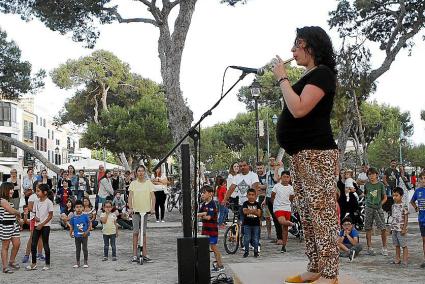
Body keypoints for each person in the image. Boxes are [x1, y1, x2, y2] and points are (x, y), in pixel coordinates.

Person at [273, 26, 339, 284]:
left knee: (321, 215)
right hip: (301, 155)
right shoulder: (311, 75)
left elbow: (299, 109)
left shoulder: (322, 75)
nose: (292, 50)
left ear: (311, 47)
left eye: (297, 45)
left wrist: (282, 79)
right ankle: (315, 267)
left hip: (317, 155)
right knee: (308, 215)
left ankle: (331, 274)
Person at [128, 165, 155, 263]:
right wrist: (130, 208)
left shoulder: (149, 183)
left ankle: (144, 254)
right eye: (139, 171)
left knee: (143, 233)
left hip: (145, 211)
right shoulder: (133, 183)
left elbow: (153, 196)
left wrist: (152, 208)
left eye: (142, 171)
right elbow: (130, 197)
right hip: (136, 211)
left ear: (145, 172)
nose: (140, 173)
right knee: (135, 232)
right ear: (136, 172)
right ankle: (134, 254)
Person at [26, 184, 53, 271]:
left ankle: (47, 264)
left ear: (44, 192)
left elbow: (50, 216)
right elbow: (33, 212)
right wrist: (35, 218)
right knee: (33, 244)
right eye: (36, 191)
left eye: (38, 191)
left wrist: (42, 223)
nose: (36, 193)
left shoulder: (49, 202)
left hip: (45, 226)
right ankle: (33, 263)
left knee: (45, 244)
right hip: (37, 225)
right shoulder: (36, 202)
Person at [198, 185, 224, 271]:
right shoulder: (204, 204)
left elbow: (209, 217)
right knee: (204, 247)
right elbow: (200, 213)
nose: (202, 194)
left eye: (204, 193)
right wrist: (203, 214)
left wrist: (202, 215)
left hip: (212, 231)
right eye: (201, 193)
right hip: (205, 230)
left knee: (214, 247)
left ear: (210, 194)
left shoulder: (212, 204)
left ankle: (220, 265)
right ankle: (206, 265)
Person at [364, 167, 388, 256]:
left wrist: (380, 204)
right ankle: (369, 247)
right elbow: (366, 194)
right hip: (369, 208)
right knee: (368, 227)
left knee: (383, 228)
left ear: (376, 175)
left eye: (373, 174)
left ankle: (384, 247)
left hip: (378, 208)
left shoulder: (380, 185)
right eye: (369, 174)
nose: (371, 176)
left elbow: (385, 197)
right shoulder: (367, 185)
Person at [0, 182, 22, 274]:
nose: (12, 191)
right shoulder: (2, 200)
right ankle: (5, 267)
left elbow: (13, 213)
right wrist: (18, 213)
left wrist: (18, 219)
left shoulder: (9, 201)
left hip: (13, 225)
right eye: (10, 189)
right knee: (6, 246)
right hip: (5, 225)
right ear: (5, 190)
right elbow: (11, 211)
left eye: (13, 189)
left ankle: (11, 261)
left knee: (17, 244)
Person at [271, 171, 295, 253]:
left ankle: (284, 246)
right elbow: (272, 196)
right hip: (278, 208)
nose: (285, 179)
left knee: (285, 228)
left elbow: (291, 198)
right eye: (284, 177)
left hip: (287, 208)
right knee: (281, 221)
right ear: (281, 177)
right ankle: (292, 224)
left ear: (290, 178)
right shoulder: (277, 186)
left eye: (287, 177)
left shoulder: (291, 188)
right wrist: (274, 204)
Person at [22, 185, 43, 264]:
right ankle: (27, 255)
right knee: (32, 237)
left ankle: (40, 254)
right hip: (34, 218)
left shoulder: (44, 195)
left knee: (41, 236)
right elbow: (30, 208)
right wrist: (36, 215)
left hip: (42, 218)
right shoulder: (32, 197)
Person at [264, 157, 283, 244]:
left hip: (277, 196)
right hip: (268, 197)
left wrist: (277, 168)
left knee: (277, 217)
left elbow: (276, 180)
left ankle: (280, 237)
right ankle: (278, 236)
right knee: (273, 218)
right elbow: (267, 186)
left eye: (273, 160)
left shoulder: (280, 170)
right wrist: (265, 199)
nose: (271, 161)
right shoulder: (268, 173)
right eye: (270, 160)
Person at [69, 200, 91, 268]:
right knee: (77, 249)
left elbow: (90, 224)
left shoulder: (85, 216)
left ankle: (85, 262)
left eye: (80, 207)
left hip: (84, 236)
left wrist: (86, 232)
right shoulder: (73, 217)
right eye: (77, 207)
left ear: (83, 208)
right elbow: (71, 226)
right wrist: (70, 233)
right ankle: (77, 262)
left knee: (85, 248)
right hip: (77, 236)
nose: (78, 208)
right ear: (74, 208)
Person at [410, 171, 425, 268]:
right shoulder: (418, 191)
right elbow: (412, 201)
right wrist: (416, 208)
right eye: (422, 179)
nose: (423, 180)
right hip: (422, 219)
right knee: (424, 240)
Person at [242, 188, 262, 258]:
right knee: (247, 238)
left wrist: (249, 210)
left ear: (255, 196)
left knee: (256, 239)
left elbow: (259, 214)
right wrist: (254, 211)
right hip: (247, 224)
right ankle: (246, 251)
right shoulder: (245, 203)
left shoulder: (257, 204)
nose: (251, 196)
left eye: (253, 195)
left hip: (256, 224)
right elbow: (244, 211)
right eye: (249, 195)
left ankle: (256, 251)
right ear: (247, 195)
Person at [391, 187, 408, 265]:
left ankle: (405, 259)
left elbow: (406, 218)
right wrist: (391, 228)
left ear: (401, 196)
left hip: (401, 229)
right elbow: (393, 217)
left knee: (403, 245)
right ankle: (397, 258)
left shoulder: (404, 205)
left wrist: (404, 228)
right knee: (396, 245)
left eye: (396, 195)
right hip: (394, 228)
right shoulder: (393, 206)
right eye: (393, 195)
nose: (394, 197)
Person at [256, 162, 271, 239]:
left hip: (265, 198)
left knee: (267, 217)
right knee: (259, 217)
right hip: (258, 198)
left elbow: (268, 186)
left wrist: (261, 187)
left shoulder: (267, 175)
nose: (259, 170)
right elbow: (256, 187)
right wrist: (263, 187)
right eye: (258, 168)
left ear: (264, 168)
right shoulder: (255, 176)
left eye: (261, 168)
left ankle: (269, 234)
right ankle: (258, 234)